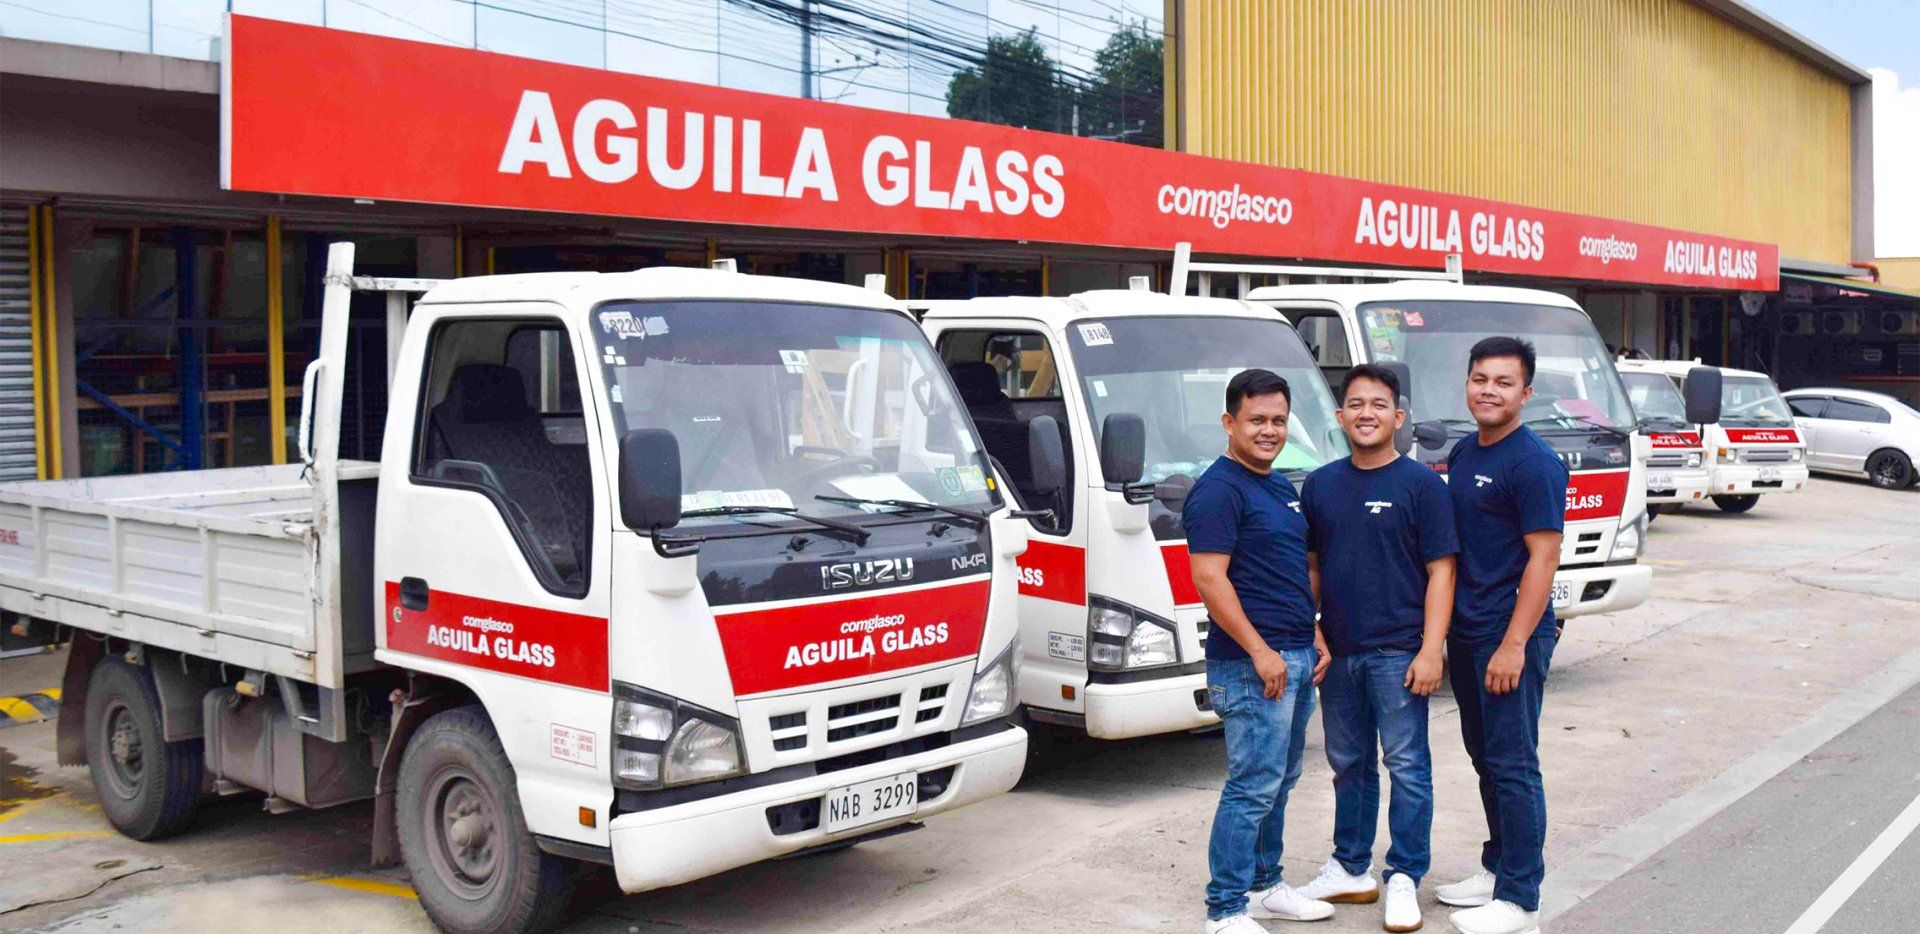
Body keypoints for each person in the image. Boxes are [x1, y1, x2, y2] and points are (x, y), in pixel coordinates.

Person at [1298, 365, 1458, 933]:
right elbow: (1314, 566)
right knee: (1348, 765)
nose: (1366, 413)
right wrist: (1312, 627)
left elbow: (1442, 572)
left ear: (1399, 416)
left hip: (1400, 653)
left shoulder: (1421, 485)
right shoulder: (1320, 484)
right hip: (1339, 652)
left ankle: (1405, 876)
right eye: (1355, 404)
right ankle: (1350, 867)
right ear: (1339, 416)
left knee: (1408, 766)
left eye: (1378, 404)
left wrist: (1432, 649)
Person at [1185, 369, 1335, 933]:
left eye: (1277, 420)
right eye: (1257, 420)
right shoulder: (1219, 489)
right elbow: (1209, 579)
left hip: (1293, 655)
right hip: (1252, 666)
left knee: (1280, 779)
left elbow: (1286, 571)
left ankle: (1266, 884)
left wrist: (1311, 630)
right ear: (1230, 423)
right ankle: (1225, 910)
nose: (1269, 431)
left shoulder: (1275, 484)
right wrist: (1260, 650)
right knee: (1251, 787)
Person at [1433, 338, 1568, 934]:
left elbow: (1544, 558)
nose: (1489, 390)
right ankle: (1497, 868)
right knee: (1484, 756)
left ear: (1526, 393)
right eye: (1480, 378)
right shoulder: (1466, 451)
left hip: (1508, 634)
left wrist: (1514, 643)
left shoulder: (1532, 462)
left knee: (1514, 763)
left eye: (1504, 382)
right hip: (1466, 632)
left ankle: (1521, 901)